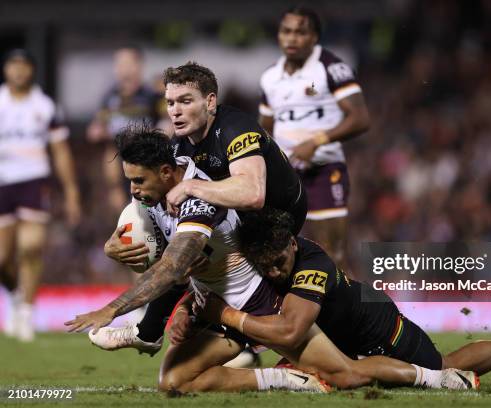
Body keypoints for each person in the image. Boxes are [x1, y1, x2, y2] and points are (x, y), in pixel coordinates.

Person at [65, 128, 477, 393]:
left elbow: (173, 266)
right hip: (218, 305)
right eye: (130, 182)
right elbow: (137, 235)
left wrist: (111, 309)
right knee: (173, 381)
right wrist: (109, 248)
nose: (134, 191)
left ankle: (437, 378)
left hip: (260, 304)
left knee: (347, 375)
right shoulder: (153, 192)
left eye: (139, 181)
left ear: (167, 171)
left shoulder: (199, 199)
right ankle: (288, 379)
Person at [199, 208, 491, 384]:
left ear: (293, 245)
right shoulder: (270, 255)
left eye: (279, 263)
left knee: (441, 368)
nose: (274, 272)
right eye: (265, 266)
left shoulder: (312, 266)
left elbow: (292, 329)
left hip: (376, 324)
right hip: (341, 334)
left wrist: (228, 317)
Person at [100, 61, 307, 362]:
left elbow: (253, 194)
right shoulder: (178, 146)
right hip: (237, 225)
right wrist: (116, 241)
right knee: (183, 251)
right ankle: (157, 331)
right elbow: (152, 191)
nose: (175, 111)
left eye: (185, 101)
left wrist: (192, 187)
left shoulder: (235, 130)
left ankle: (181, 332)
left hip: (277, 222)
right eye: (170, 103)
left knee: (188, 258)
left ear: (210, 102)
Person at [258, 7, 370, 272]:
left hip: (324, 172)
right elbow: (265, 129)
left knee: (331, 252)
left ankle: (344, 311)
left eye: (300, 32)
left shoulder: (331, 68)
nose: (292, 38)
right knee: (274, 249)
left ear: (314, 37)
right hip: (285, 176)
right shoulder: (270, 77)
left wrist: (317, 141)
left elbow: (360, 119)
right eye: (286, 31)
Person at [0, 49, 81, 342]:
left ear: (31, 70)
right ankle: (17, 295)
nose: (18, 71)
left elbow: (60, 151)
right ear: (6, 69)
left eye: (23, 65)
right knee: (2, 257)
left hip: (34, 181)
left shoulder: (44, 106)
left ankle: (25, 312)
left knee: (31, 246)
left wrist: (71, 192)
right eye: (13, 65)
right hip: (2, 183)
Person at [87, 46, 168, 215]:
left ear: (138, 65)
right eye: (119, 63)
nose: (122, 68)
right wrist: (101, 131)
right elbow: (94, 129)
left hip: (146, 164)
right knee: (122, 215)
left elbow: (169, 125)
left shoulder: (152, 95)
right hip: (117, 166)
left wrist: (147, 134)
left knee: (147, 214)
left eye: (127, 63)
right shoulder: (109, 97)